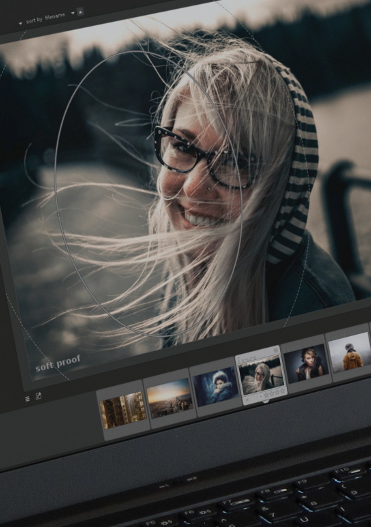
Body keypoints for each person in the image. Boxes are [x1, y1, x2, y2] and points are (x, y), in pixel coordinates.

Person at [68, 37, 356, 347]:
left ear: (284, 185)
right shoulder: (186, 270)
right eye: (182, 146)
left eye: (235, 161)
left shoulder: (316, 316)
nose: (193, 186)